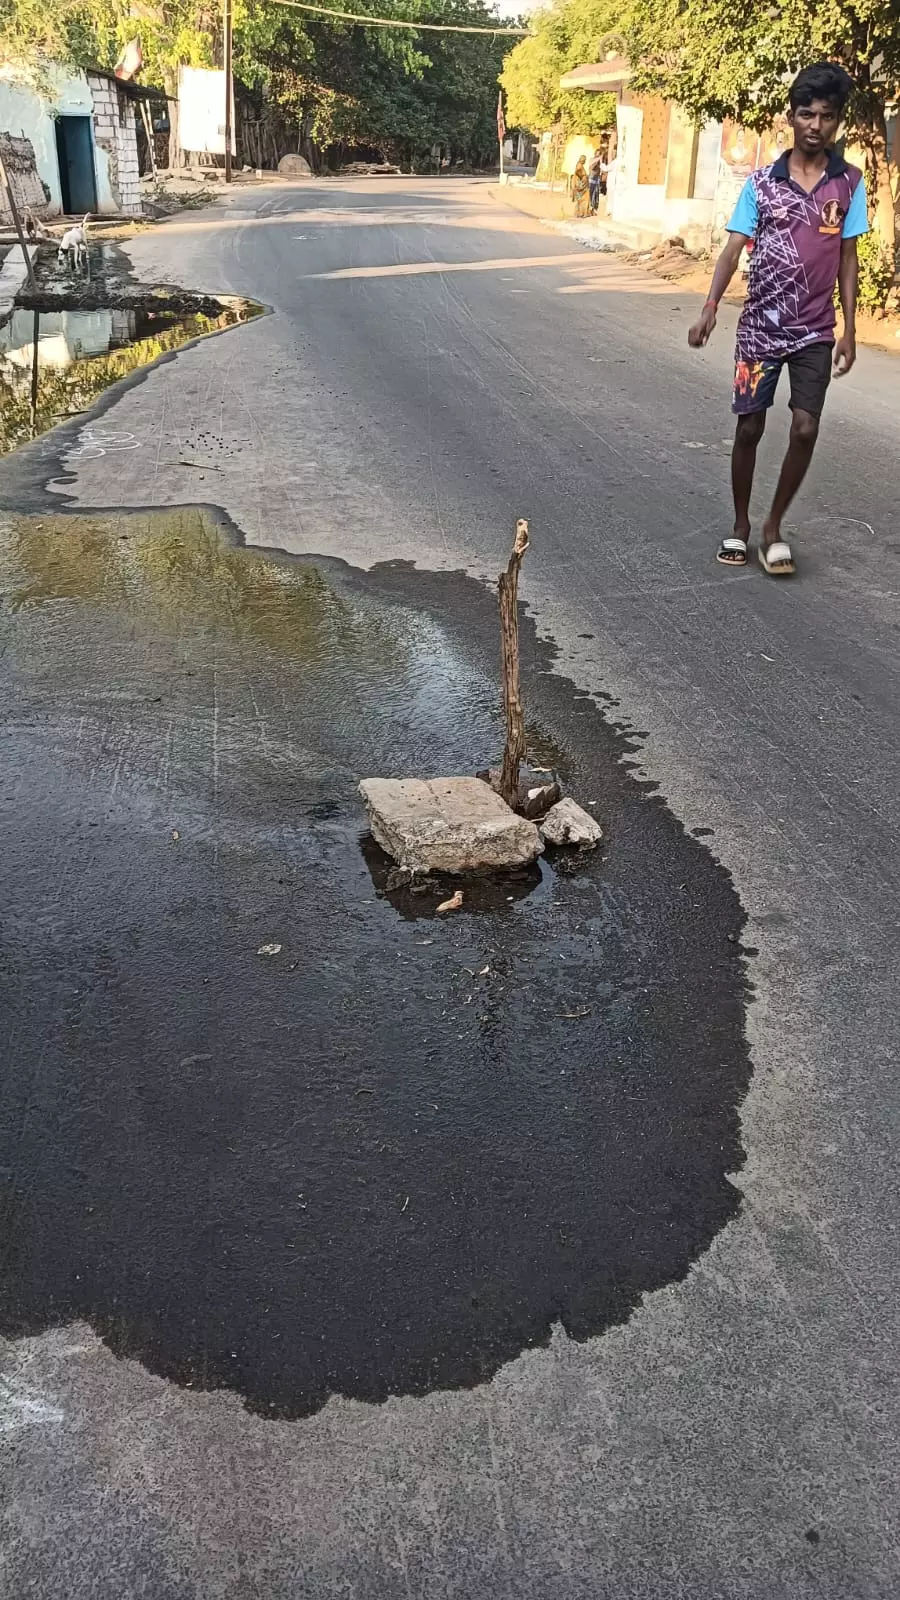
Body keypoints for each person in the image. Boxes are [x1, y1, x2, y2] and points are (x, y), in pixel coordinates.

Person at [688, 62, 868, 575]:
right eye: (806, 114)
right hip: (760, 328)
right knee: (749, 428)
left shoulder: (848, 184)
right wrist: (709, 308)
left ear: (837, 123)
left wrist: (850, 329)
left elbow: (848, 259)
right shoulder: (762, 184)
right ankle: (741, 525)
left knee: (806, 428)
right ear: (791, 117)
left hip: (815, 329)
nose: (815, 124)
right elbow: (731, 251)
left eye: (826, 116)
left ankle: (773, 527)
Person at [589, 148, 604, 213]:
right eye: (597, 154)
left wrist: (600, 161)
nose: (598, 155)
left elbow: (602, 170)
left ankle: (594, 209)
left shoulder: (599, 163)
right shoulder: (592, 159)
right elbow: (591, 166)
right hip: (591, 180)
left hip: (597, 180)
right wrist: (599, 158)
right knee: (591, 194)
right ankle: (590, 208)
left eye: (599, 154)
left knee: (596, 195)